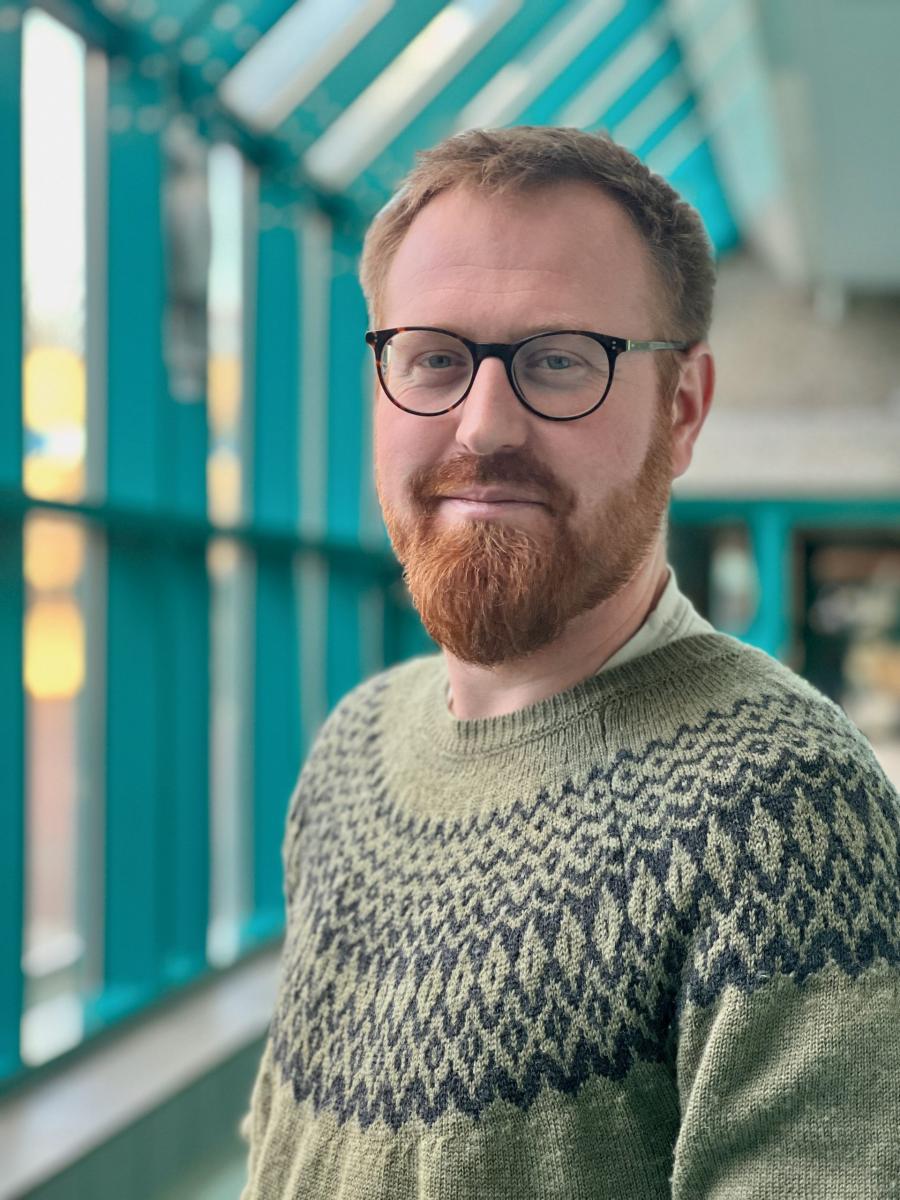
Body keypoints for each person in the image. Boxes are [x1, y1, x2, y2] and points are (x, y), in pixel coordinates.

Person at [239, 126, 900, 1198]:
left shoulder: (786, 810)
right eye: (433, 358)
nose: (483, 426)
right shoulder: (354, 750)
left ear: (681, 411)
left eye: (557, 361)